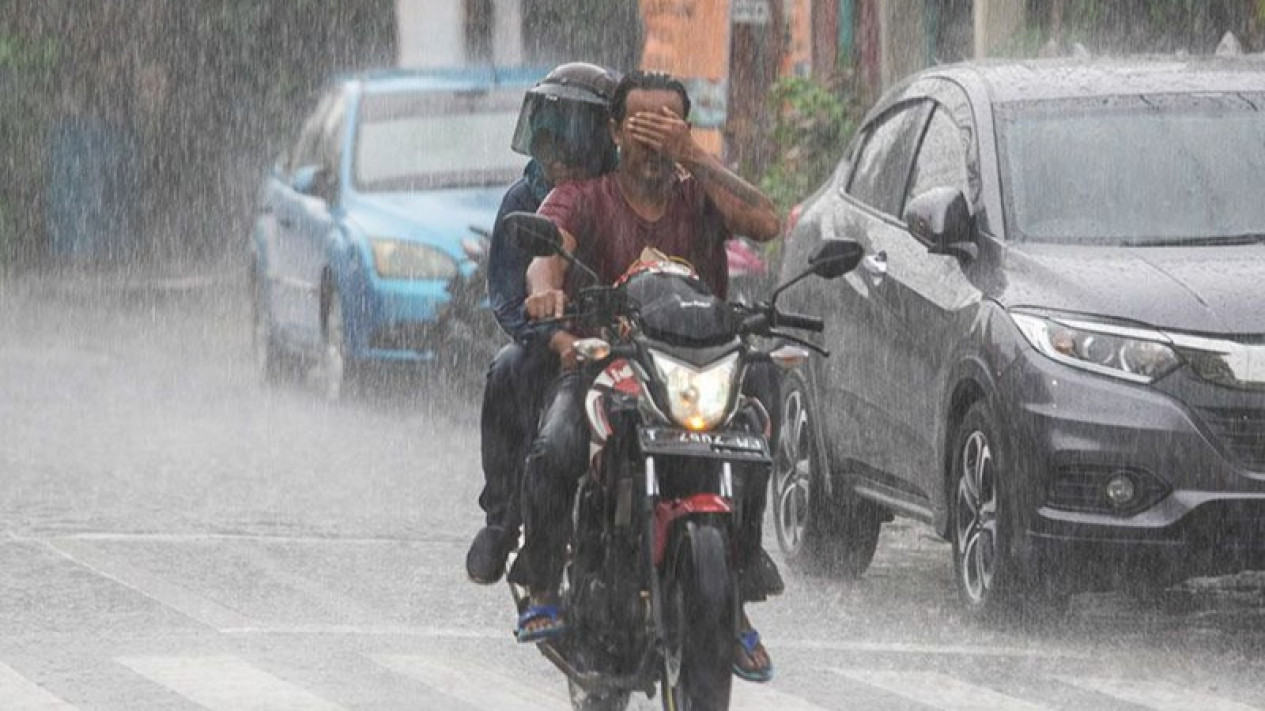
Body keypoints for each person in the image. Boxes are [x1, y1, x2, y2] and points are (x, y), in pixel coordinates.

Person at [510, 70, 783, 683]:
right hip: (609, 365)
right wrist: (546, 293)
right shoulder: (584, 196)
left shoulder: (700, 193)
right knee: (556, 442)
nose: (656, 140)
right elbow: (546, 255)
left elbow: (766, 221)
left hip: (699, 368)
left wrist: (697, 157)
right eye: (642, 125)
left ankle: (737, 580)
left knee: (763, 401)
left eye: (671, 126)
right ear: (613, 130)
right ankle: (544, 583)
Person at [465, 63, 619, 585]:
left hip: (629, 345)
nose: (554, 151)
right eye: (547, 131)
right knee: (506, 371)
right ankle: (504, 519)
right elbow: (510, 299)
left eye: (571, 132)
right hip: (551, 344)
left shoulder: (625, 194)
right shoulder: (522, 199)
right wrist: (554, 336)